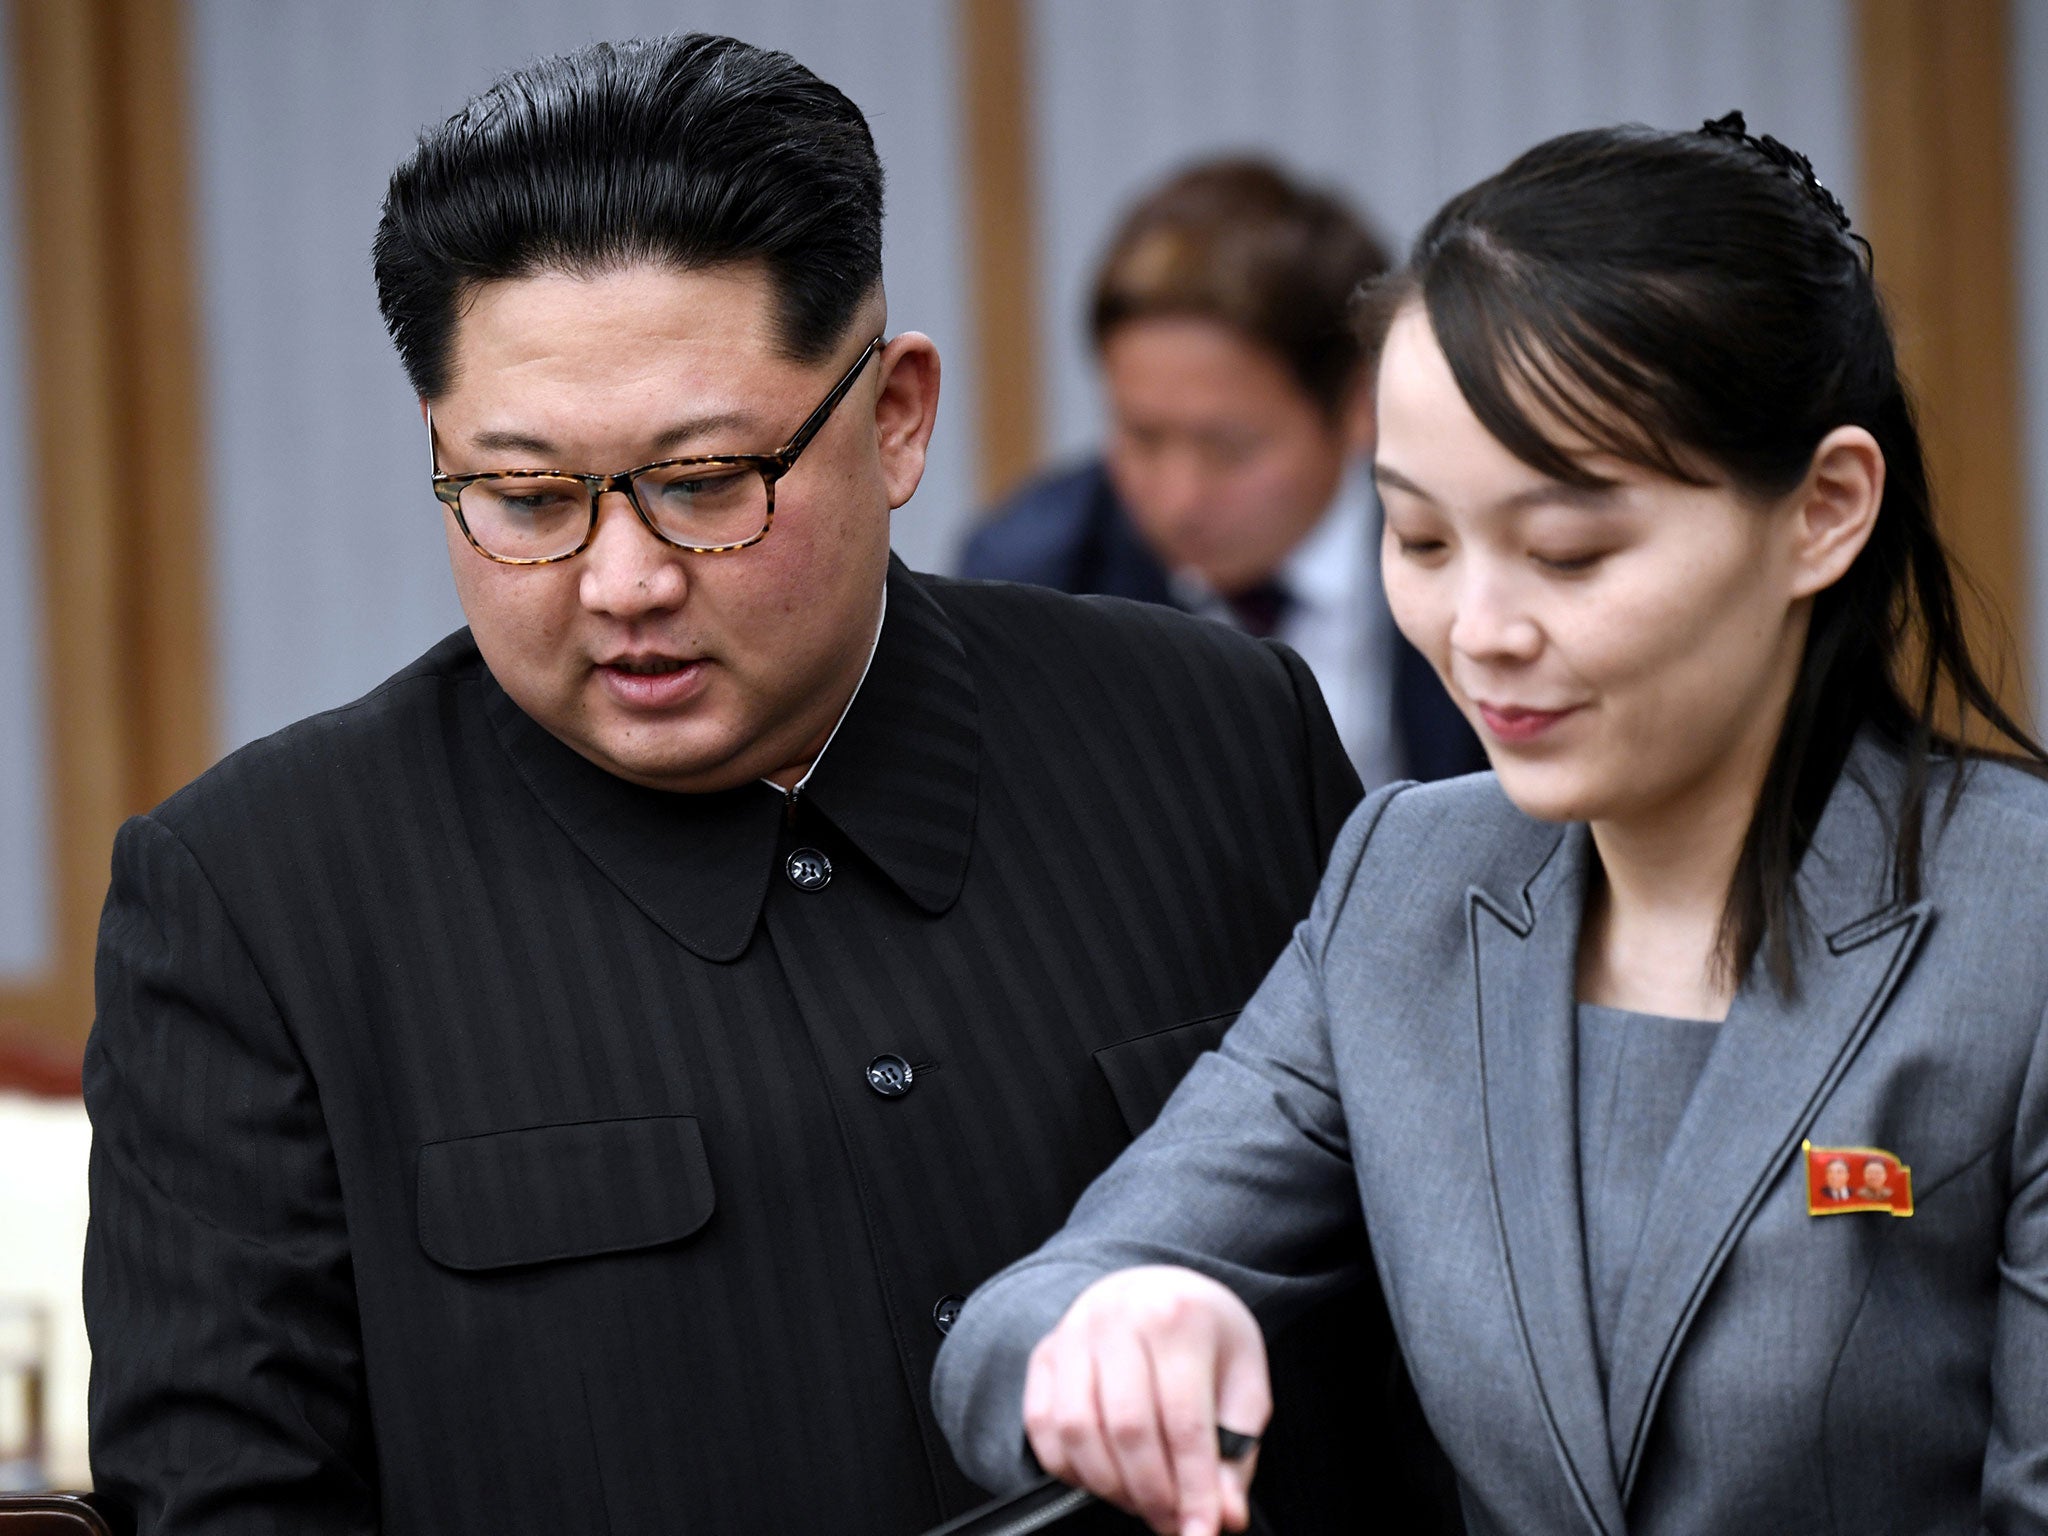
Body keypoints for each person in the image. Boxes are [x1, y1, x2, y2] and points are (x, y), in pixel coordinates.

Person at [81, 33, 1433, 1536]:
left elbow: (1429, 1349)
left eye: (709, 481)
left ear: (896, 417)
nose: (625, 579)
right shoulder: (260, 899)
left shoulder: (1215, 735)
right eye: (526, 499)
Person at [934, 114, 2048, 1536]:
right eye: (1419, 540)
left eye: (1571, 552)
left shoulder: (2016, 929)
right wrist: (1112, 1325)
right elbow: (1023, 1323)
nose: (1478, 631)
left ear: (1823, 511)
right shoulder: (1413, 880)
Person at [960, 159, 1483, 788]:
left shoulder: (1478, 554)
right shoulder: (1033, 583)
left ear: (1358, 406)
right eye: (1142, 437)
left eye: (1229, 449)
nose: (1178, 501)